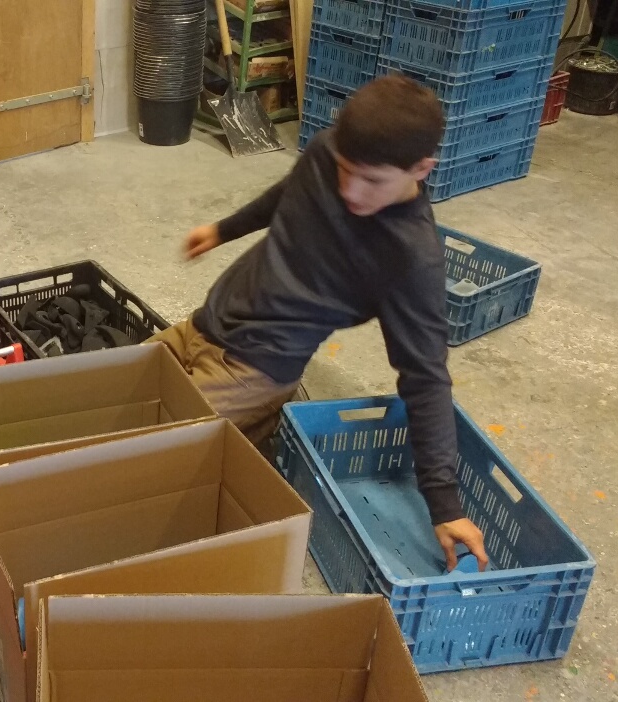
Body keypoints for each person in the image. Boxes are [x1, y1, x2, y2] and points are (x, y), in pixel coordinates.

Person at [150, 74, 489, 571]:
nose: (350, 190)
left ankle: (243, 457)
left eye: (372, 180)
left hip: (252, 370)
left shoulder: (410, 259)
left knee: (143, 462)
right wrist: (223, 229)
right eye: (345, 171)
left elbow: (425, 375)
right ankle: (237, 451)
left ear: (421, 167)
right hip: (203, 323)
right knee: (111, 398)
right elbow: (292, 190)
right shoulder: (330, 152)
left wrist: (445, 505)